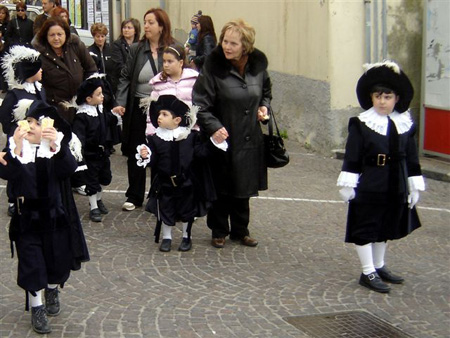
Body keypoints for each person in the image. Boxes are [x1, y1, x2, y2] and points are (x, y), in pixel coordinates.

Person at [0, 99, 89, 334]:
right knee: (32, 265)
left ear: (48, 128)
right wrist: (16, 149)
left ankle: (52, 288)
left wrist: (57, 148)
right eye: (27, 121)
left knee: (56, 262)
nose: (27, 126)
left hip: (55, 219)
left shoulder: (55, 151)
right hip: (26, 220)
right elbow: (6, 172)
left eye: (33, 123)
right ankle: (37, 307)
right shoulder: (18, 149)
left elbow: (68, 169)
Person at [336, 60, 425, 293]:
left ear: (396, 98)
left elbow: (411, 157)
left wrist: (413, 185)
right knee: (366, 224)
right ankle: (367, 271)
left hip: (395, 182)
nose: (382, 101)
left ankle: (379, 265)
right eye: (378, 96)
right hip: (370, 183)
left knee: (385, 224)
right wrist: (348, 183)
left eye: (387, 97)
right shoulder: (362, 123)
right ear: (371, 98)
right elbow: (353, 155)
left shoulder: (404, 123)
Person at [192, 19, 272, 249]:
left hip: (249, 136)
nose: (227, 46)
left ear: (245, 46)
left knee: (244, 186)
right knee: (221, 185)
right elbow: (200, 103)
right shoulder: (212, 67)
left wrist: (264, 106)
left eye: (233, 43)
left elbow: (266, 91)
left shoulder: (257, 66)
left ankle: (241, 230)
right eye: (225, 41)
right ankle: (219, 230)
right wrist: (214, 127)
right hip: (223, 138)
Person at [113, 8, 178, 212]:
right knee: (137, 151)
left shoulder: (173, 48)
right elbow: (125, 77)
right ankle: (134, 194)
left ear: (161, 26)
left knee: (162, 151)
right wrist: (121, 101)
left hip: (163, 109)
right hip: (139, 108)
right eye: (145, 22)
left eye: (151, 22)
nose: (147, 26)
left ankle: (158, 195)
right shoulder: (137, 49)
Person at [136, 95, 219, 252]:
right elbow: (153, 161)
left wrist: (214, 141)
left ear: (177, 120)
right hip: (165, 183)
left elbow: (201, 154)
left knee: (187, 211)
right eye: (159, 114)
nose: (159, 117)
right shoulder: (155, 139)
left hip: (187, 182)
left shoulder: (190, 137)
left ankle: (186, 237)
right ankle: (167, 237)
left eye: (164, 114)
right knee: (166, 210)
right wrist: (146, 155)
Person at [0, 45, 45, 217]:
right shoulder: (15, 94)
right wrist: (17, 130)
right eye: (38, 68)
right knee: (16, 169)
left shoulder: (40, 90)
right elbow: (4, 116)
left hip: (36, 139)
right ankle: (13, 199)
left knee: (32, 168)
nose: (41, 70)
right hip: (19, 139)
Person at [70, 74, 118, 222]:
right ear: (88, 99)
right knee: (92, 181)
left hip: (102, 153)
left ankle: (98, 199)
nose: (102, 96)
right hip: (90, 154)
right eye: (98, 94)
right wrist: (81, 155)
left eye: (102, 93)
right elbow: (79, 137)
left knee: (104, 178)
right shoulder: (82, 116)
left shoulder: (100, 110)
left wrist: (116, 115)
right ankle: (93, 207)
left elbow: (108, 119)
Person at [32, 16, 97, 123]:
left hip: (80, 105)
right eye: (52, 35)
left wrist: (87, 92)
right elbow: (37, 85)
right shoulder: (39, 54)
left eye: (59, 34)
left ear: (66, 34)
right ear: (46, 36)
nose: (56, 38)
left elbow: (91, 68)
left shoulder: (75, 46)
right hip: (55, 108)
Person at [144, 44, 199, 135]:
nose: (166, 65)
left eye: (170, 61)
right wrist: (151, 134)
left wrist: (198, 130)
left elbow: (200, 107)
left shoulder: (194, 80)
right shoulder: (158, 83)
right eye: (164, 61)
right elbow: (152, 113)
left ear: (180, 63)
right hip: (165, 134)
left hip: (189, 133)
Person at [111, 18, 141, 91]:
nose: (126, 30)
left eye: (129, 28)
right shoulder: (117, 44)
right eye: (124, 27)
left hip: (137, 82)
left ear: (135, 31)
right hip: (121, 82)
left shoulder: (140, 45)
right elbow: (118, 65)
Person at [0, 5, 10, 91]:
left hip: (4, 48)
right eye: (0, 13)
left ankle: (3, 86)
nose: (1, 15)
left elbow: (8, 36)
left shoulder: (8, 24)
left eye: (3, 13)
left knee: (3, 67)